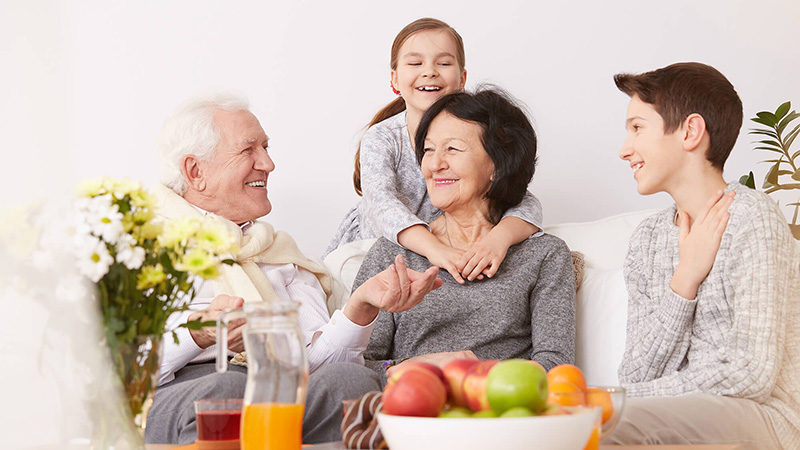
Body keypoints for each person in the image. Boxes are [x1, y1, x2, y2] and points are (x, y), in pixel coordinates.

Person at [144, 92, 443, 445]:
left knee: (351, 382)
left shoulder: (279, 252)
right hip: (182, 389)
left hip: (278, 386)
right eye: (249, 150)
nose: (268, 164)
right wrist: (198, 332)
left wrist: (360, 307)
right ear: (196, 172)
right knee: (227, 391)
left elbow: (316, 362)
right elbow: (114, 367)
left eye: (266, 148)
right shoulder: (143, 247)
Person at [607, 62, 800, 449]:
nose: (624, 149)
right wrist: (684, 281)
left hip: (763, 417)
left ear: (690, 131)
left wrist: (608, 400)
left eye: (637, 128)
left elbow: (751, 371)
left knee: (605, 423)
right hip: (680, 418)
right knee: (594, 425)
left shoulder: (752, 218)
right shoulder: (647, 241)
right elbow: (635, 372)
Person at [354, 88, 576, 385]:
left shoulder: (544, 255)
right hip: (410, 410)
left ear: (497, 165)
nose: (434, 165)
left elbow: (555, 367)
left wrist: (471, 374)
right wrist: (414, 367)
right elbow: (356, 366)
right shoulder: (392, 254)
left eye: (452, 149)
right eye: (429, 150)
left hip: (501, 411)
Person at [325, 18, 543, 285]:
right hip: (376, 248)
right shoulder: (383, 137)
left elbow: (523, 198)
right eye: (415, 63)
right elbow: (381, 204)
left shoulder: (476, 133)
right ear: (394, 79)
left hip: (445, 252)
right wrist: (435, 249)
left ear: (462, 78)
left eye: (443, 63)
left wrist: (497, 240)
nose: (429, 72)